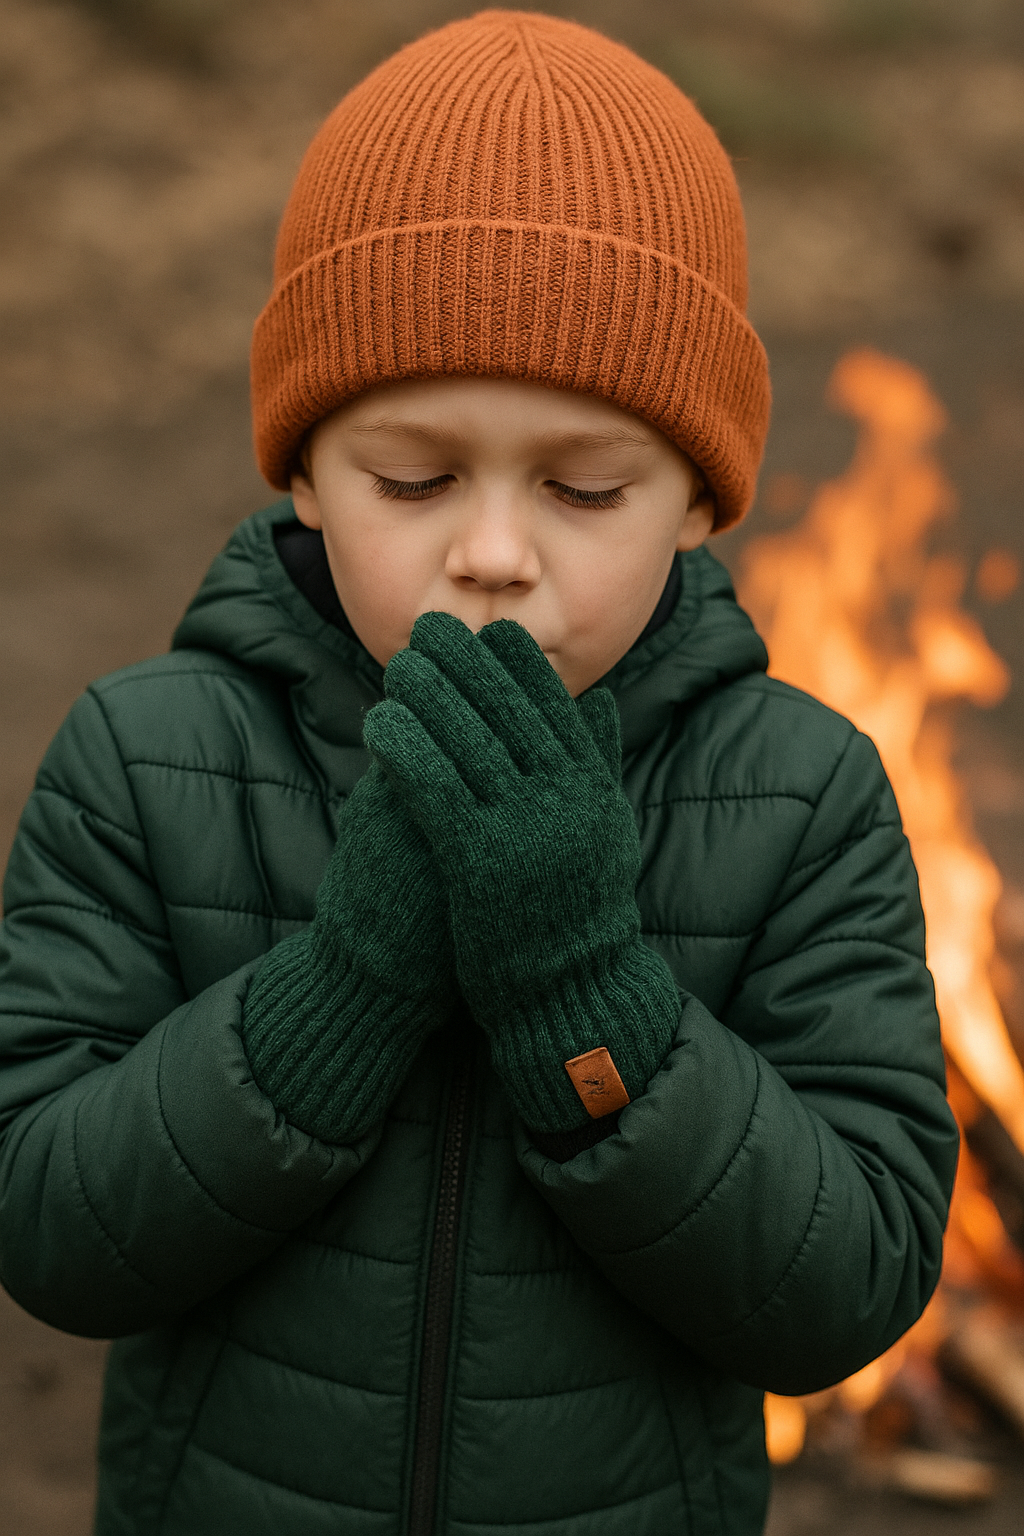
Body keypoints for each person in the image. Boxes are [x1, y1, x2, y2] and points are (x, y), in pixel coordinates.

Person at [0, 11, 958, 1534]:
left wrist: (585, 990)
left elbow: (847, 1285)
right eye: (413, 478)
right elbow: (46, 1225)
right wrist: (350, 986)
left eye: (586, 487)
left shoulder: (802, 797)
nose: (495, 555)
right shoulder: (146, 757)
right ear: (304, 472)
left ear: (701, 503)